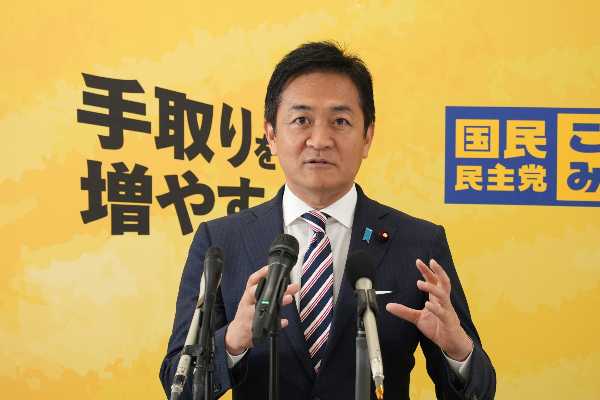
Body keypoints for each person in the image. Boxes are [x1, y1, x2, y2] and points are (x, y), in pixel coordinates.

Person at [159, 41, 496, 400]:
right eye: (301, 120)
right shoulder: (220, 242)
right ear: (271, 134)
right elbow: (177, 386)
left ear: (367, 137)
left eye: (340, 121)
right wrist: (231, 342)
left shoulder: (417, 242)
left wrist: (458, 352)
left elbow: (480, 391)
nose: (320, 140)